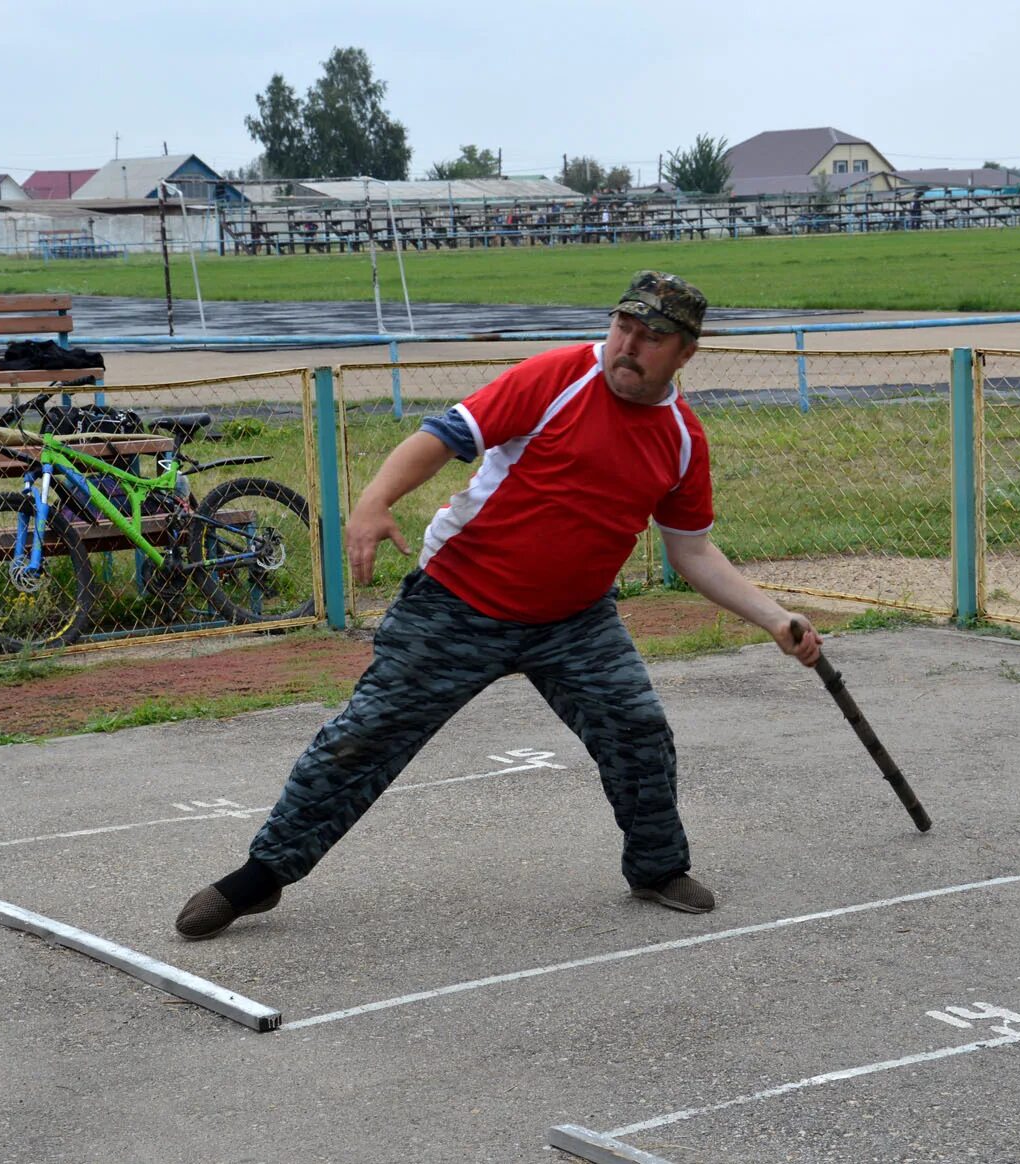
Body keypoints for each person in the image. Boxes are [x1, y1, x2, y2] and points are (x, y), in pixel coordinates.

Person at [175, 271, 823, 940]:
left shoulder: (682, 438)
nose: (629, 346)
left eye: (652, 337)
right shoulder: (553, 379)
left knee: (638, 730)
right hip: (457, 603)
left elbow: (693, 552)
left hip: (576, 621)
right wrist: (373, 502)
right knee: (364, 738)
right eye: (623, 328)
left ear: (685, 353)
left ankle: (657, 868)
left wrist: (775, 619)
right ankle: (260, 879)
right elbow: (440, 437)